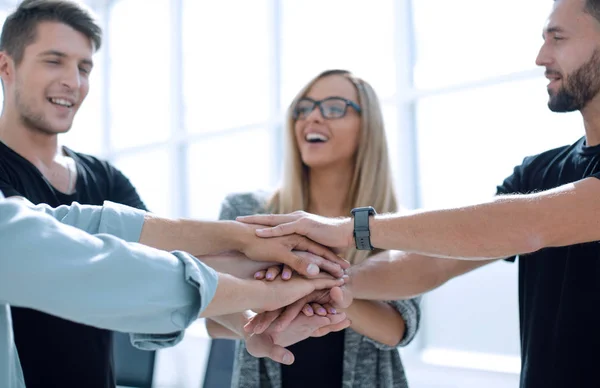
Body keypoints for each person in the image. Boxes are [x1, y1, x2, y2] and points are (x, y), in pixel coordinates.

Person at [238, 1, 600, 387]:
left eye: (557, 38)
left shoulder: (537, 201)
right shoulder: (538, 173)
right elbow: (433, 262)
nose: (541, 57)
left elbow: (528, 225)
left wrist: (349, 230)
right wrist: (333, 285)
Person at [0, 192, 345, 388]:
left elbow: (145, 251)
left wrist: (243, 246)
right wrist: (262, 293)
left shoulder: (100, 177)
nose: (71, 81)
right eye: (54, 60)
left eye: (84, 66)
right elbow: (106, 269)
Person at [209, 70, 421, 388]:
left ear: (368, 127)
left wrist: (320, 288)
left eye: (334, 107)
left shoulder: (392, 226)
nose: (313, 117)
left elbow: (400, 328)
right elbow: (213, 318)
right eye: (304, 108)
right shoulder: (246, 211)